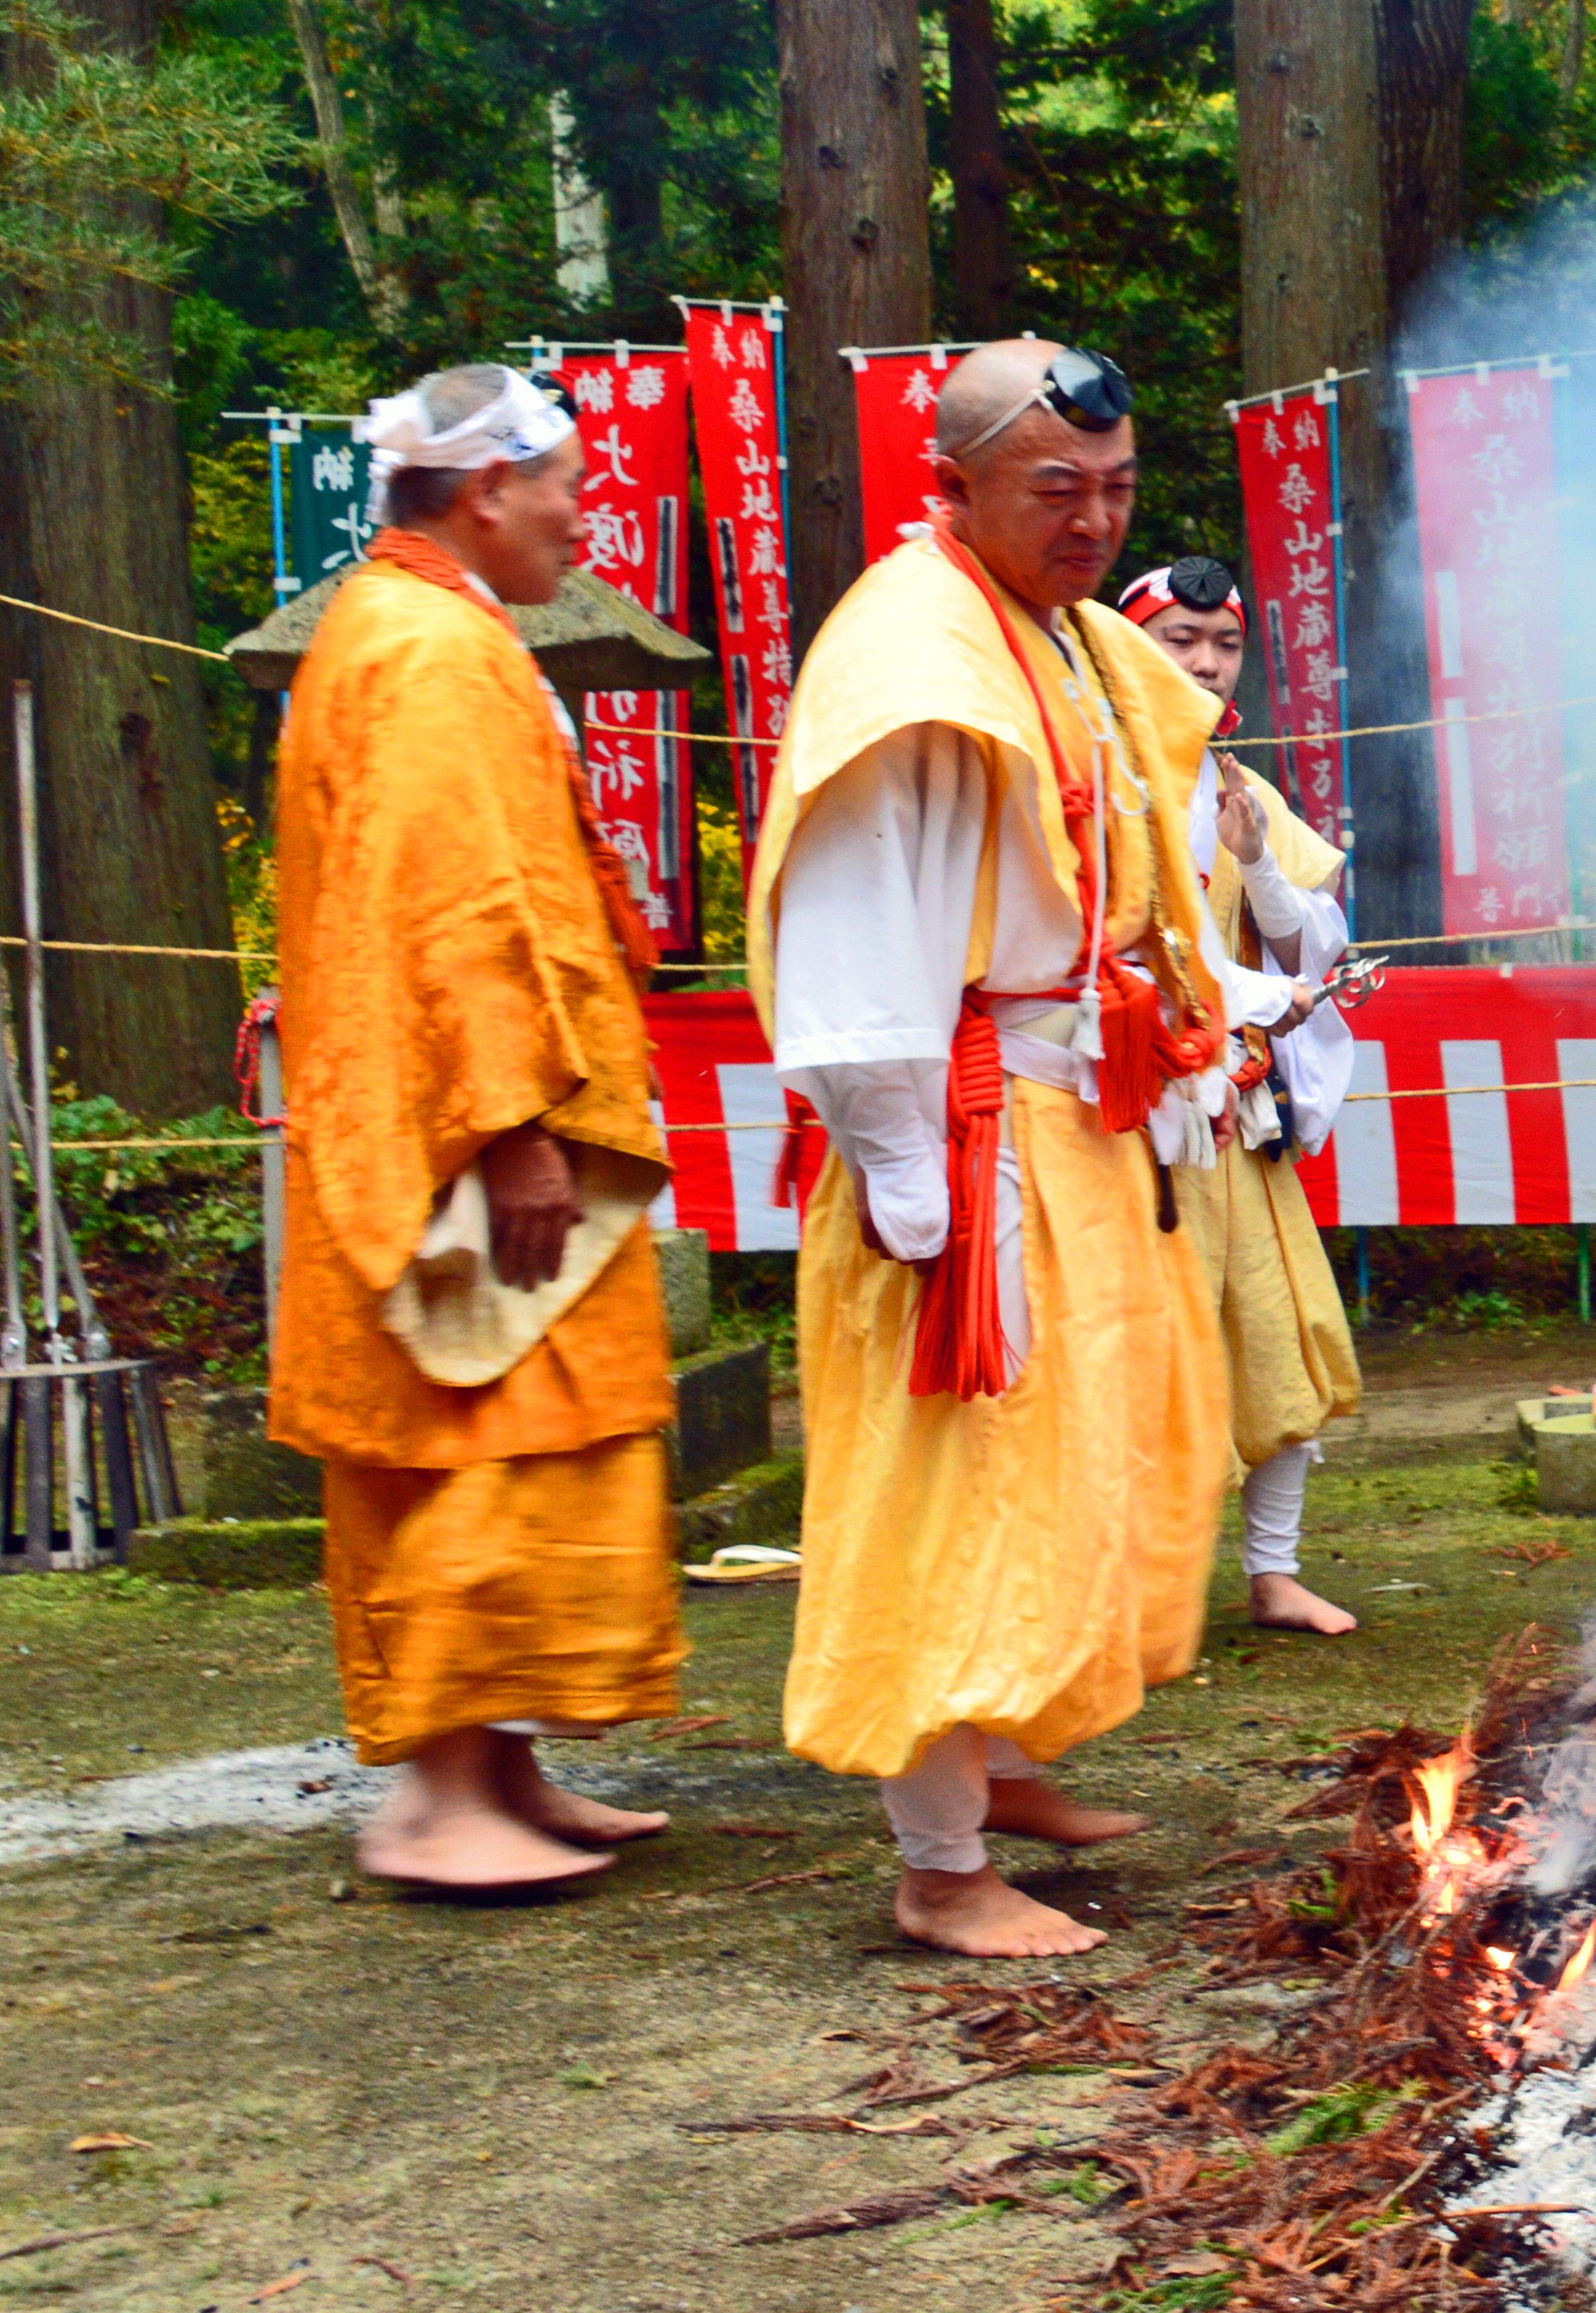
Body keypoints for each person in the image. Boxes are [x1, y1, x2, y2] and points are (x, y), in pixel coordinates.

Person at [757, 338, 1258, 1956]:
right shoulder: (914, 660)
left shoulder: (1056, 636)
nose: (1096, 521)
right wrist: (904, 1165)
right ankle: (939, 1862)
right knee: (958, 1481)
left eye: (1116, 489)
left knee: (1084, 1457)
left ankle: (1009, 1755)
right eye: (1059, 489)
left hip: (1078, 1109)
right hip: (970, 1136)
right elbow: (852, 931)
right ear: (953, 483)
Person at [271, 363, 683, 1889]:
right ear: (487, 488)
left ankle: (506, 1762)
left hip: (490, 1101)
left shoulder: (418, 626)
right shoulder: (425, 649)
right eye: (567, 484)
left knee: (538, 1432)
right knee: (468, 1428)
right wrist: (507, 1124)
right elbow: (452, 912)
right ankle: (440, 1796)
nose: (585, 513)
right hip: (468, 1122)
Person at [1117, 554, 1369, 1636]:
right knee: (1137, 1359)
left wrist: (1260, 864)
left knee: (1281, 1339)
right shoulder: (1098, 779)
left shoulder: (1242, 790)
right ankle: (1134, 1590)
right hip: (1128, 1122)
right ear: (1133, 647)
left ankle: (1273, 1574)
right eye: (1182, 641)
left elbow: (1315, 945)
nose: (1208, 663)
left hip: (1235, 1117)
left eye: (1224, 646)